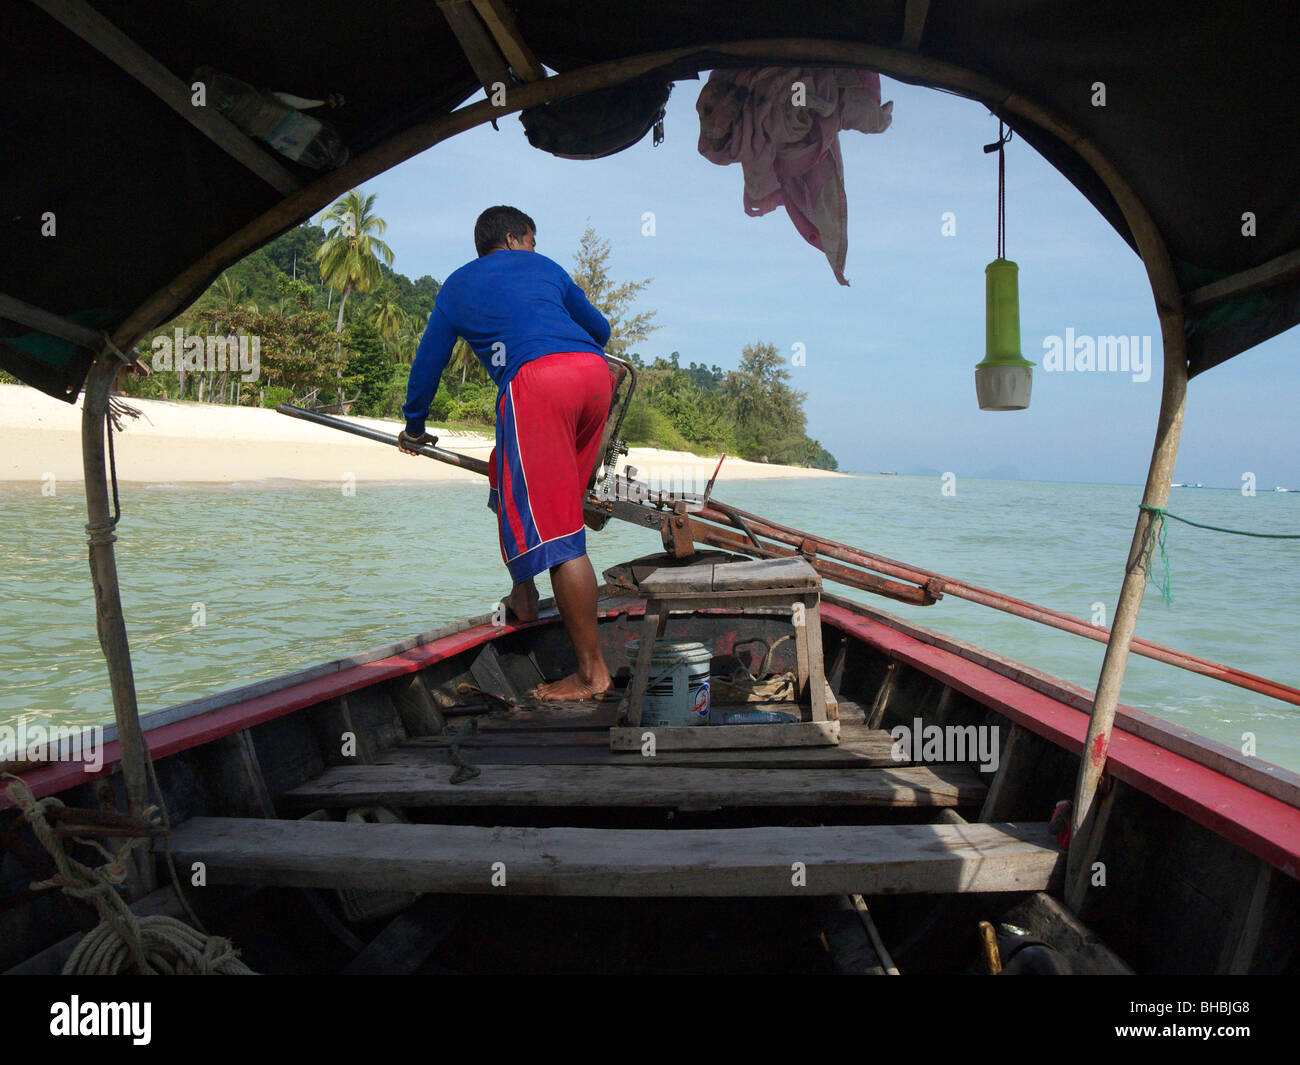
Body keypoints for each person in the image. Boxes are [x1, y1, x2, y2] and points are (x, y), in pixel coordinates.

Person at [398, 206, 615, 700]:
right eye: (532, 242)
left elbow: (429, 361)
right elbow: (599, 330)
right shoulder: (547, 269)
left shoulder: (456, 286)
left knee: (562, 534)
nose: (533, 251)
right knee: (505, 467)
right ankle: (523, 593)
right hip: (594, 379)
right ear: (517, 239)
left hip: (538, 385)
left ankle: (590, 674)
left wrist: (414, 425)